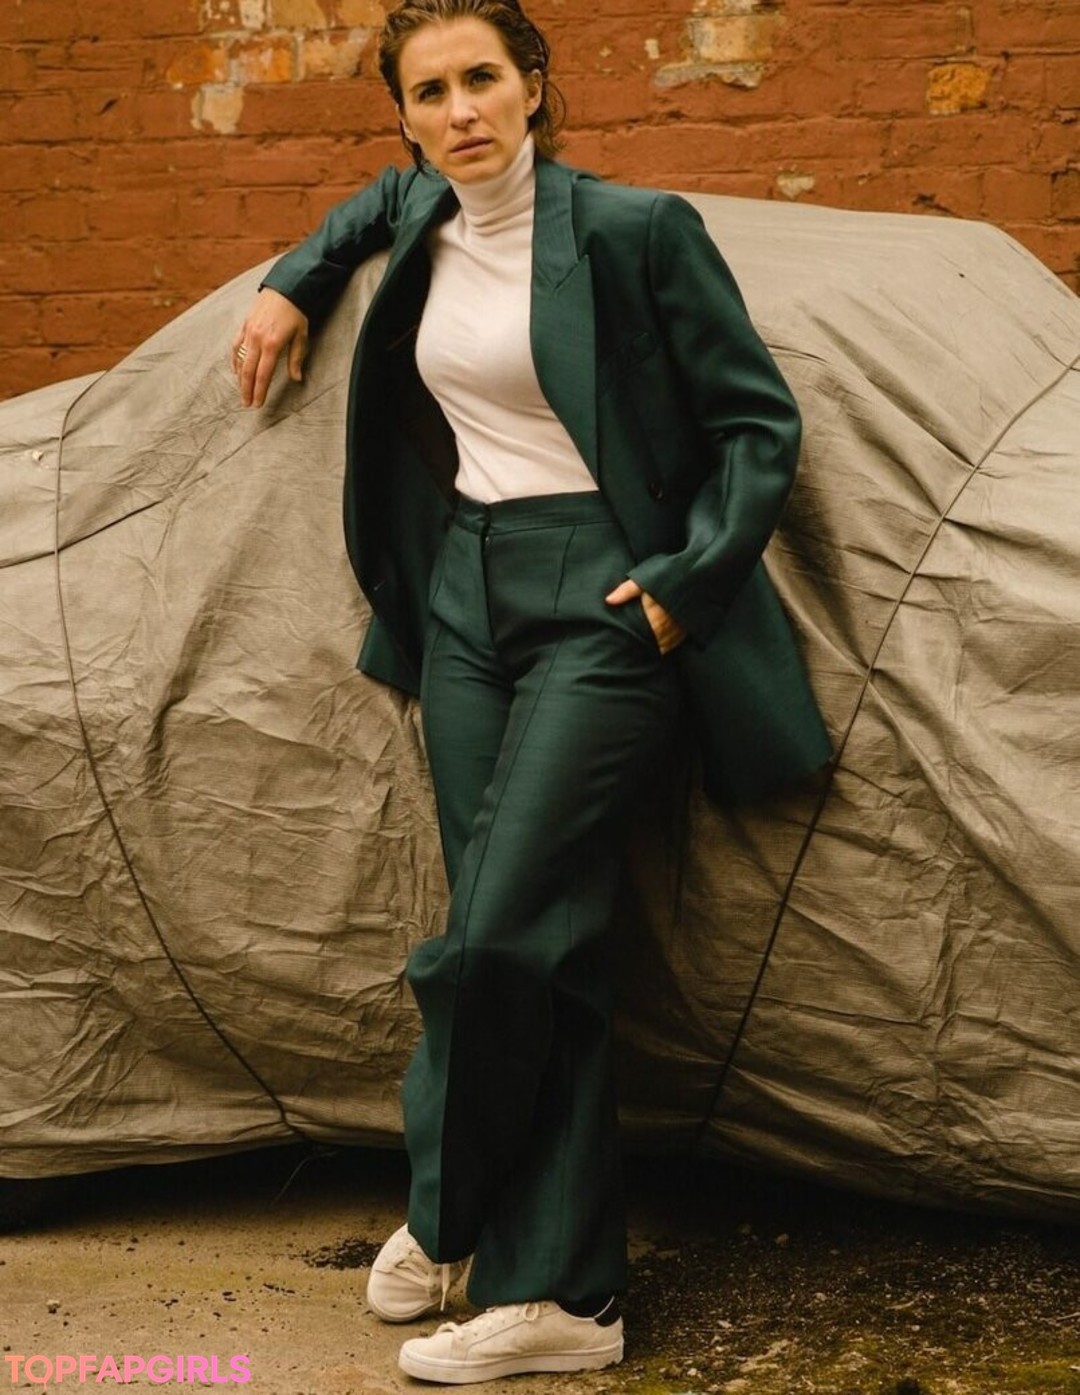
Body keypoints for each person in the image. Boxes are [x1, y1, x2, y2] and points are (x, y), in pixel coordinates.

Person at [232, 0, 830, 1382]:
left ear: (535, 85)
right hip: (465, 598)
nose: (461, 111)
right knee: (536, 940)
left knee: (503, 929)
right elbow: (367, 206)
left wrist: (684, 582)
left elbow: (757, 420)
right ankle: (563, 1291)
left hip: (606, 598)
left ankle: (464, 1216)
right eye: (430, 92)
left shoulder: (632, 230)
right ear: (404, 119)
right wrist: (294, 279)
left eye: (484, 79)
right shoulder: (419, 215)